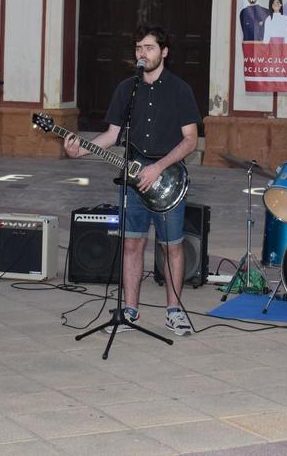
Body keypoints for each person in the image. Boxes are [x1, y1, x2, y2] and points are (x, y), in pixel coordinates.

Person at [64, 24, 200, 337]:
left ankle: (174, 311)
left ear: (164, 52)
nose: (143, 53)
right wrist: (79, 150)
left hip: (168, 180)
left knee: (172, 248)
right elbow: (112, 136)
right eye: (139, 48)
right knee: (131, 245)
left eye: (149, 47)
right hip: (133, 183)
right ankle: (130, 310)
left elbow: (191, 140)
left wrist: (158, 167)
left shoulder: (180, 89)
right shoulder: (127, 88)